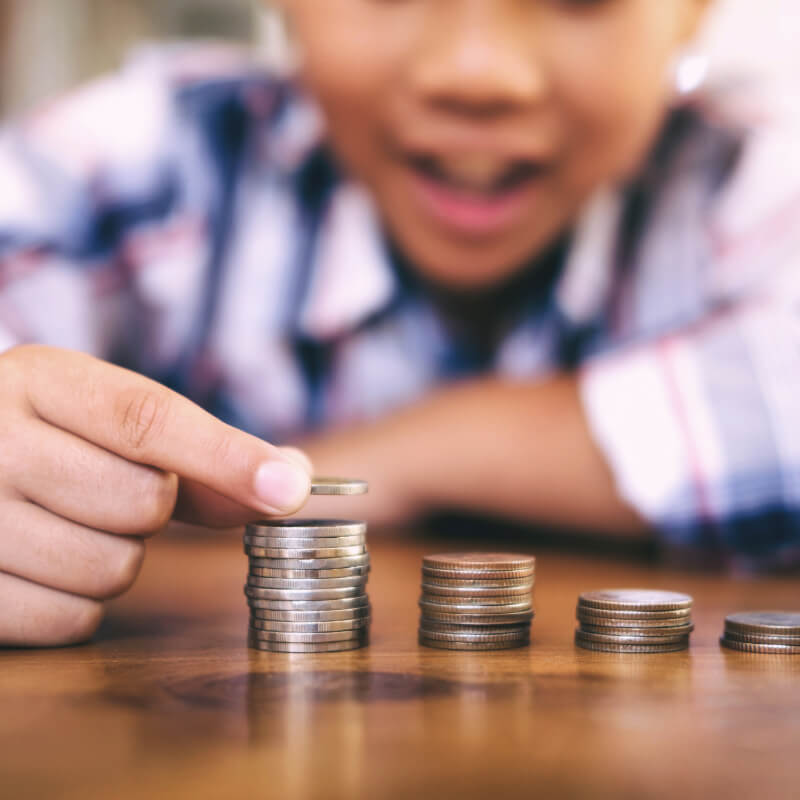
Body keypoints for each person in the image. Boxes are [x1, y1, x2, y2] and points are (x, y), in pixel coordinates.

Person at [0, 0, 798, 647]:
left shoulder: (756, 180)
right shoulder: (140, 153)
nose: (477, 74)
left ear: (695, 11)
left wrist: (406, 459)